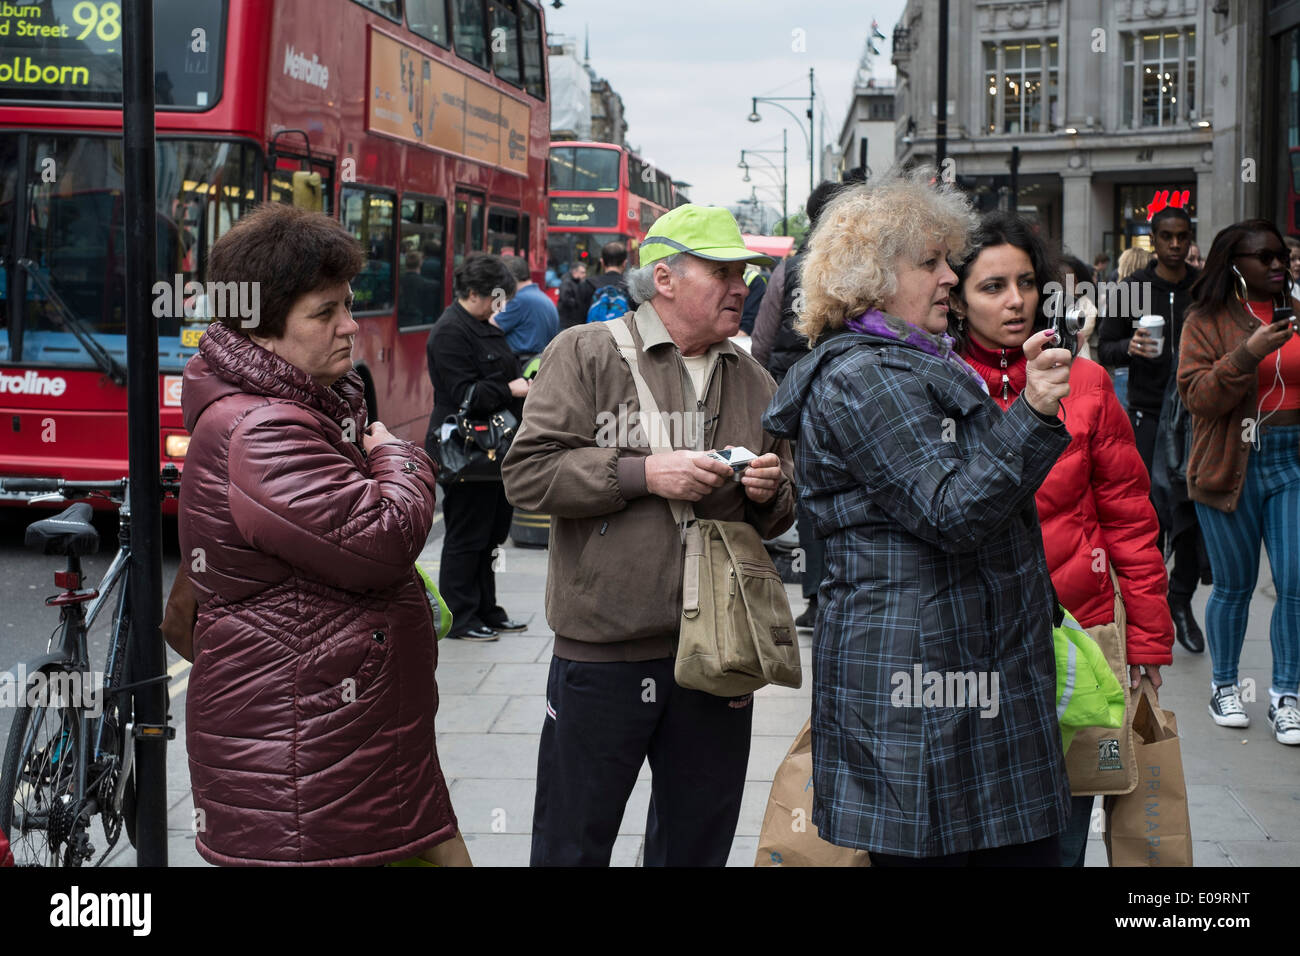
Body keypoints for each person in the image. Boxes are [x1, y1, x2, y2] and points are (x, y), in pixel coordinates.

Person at [763, 170, 1072, 865]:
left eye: (947, 259)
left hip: (956, 673)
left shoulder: (906, 361)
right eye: (929, 261)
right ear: (871, 280)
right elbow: (953, 510)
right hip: (923, 687)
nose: (948, 276)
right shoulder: (865, 376)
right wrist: (1034, 413)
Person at [503, 204, 795, 867]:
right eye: (721, 272)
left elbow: (783, 511)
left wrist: (770, 489)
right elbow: (527, 474)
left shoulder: (755, 378)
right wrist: (641, 472)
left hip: (720, 658)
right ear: (664, 279)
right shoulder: (585, 352)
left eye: (744, 273)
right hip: (604, 655)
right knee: (572, 842)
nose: (740, 288)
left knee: (696, 844)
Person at [178, 203, 457, 865]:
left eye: (348, 305)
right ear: (263, 330)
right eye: (325, 312)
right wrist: (399, 455)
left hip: (344, 740)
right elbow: (383, 537)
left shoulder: (296, 402)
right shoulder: (264, 429)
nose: (349, 327)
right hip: (305, 755)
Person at [950, 212, 1173, 867]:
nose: (1014, 300)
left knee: (1059, 838)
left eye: (1026, 282)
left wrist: (1148, 642)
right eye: (992, 286)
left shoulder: (1088, 382)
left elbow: (1130, 519)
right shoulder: (930, 386)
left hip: (1077, 643)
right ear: (955, 296)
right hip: (966, 646)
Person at [1178, 219, 1300, 744]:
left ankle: (1285, 695)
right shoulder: (1205, 320)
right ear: (1235, 266)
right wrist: (1249, 351)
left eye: (1281, 255)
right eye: (1264, 257)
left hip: (1292, 458)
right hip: (1230, 459)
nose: (1278, 265)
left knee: (1295, 583)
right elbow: (1199, 398)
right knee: (1235, 585)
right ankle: (1225, 686)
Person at [1099, 209, 1207, 654]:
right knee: (1149, 514)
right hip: (1145, 414)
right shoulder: (1132, 289)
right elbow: (1105, 347)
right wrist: (1130, 347)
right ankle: (1151, 611)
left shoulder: (1204, 287)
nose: (1176, 245)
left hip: (1197, 416)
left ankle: (1180, 599)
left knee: (1192, 514)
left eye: (1183, 237)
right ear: (1154, 240)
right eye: (1167, 236)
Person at [752, 179, 850, 630]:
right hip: (852, 390)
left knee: (810, 490)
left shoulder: (790, 268)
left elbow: (764, 336)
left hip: (799, 393)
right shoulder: (859, 265)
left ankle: (815, 598)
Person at [426, 252, 530, 642]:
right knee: (466, 535)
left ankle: (488, 607)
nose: (501, 306)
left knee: (492, 534)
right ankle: (461, 615)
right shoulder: (450, 332)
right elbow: (463, 393)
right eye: (496, 298)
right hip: (465, 449)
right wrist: (510, 388)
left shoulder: (484, 324)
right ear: (473, 293)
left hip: (496, 446)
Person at [491, 255, 558, 358]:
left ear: (508, 278)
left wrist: (500, 295)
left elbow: (490, 327)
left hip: (520, 363)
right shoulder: (542, 297)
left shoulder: (519, 300)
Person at [1059, 254, 1100, 362]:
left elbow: (1079, 331)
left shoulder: (1086, 304)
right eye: (1060, 279)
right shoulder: (1055, 302)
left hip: (1080, 360)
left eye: (1070, 280)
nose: (1064, 284)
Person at [584, 241, 632, 322]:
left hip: (594, 333)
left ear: (602, 262)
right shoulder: (630, 285)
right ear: (624, 263)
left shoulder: (587, 285)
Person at [399, 249, 442, 326]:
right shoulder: (424, 283)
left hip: (400, 320)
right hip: (415, 321)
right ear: (420, 263)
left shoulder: (400, 280)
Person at [556, 261, 591, 329]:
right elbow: (566, 299)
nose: (584, 275)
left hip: (573, 321)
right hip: (568, 322)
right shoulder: (567, 282)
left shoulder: (577, 282)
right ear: (575, 272)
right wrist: (578, 304)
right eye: (582, 272)